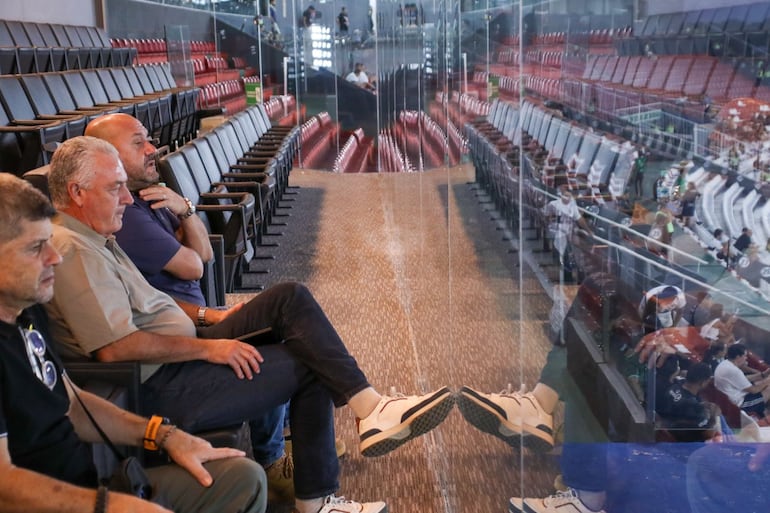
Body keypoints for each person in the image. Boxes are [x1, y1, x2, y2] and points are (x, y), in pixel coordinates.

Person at [44, 136, 454, 513]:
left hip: (180, 352)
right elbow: (116, 347)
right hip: (162, 384)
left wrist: (206, 320)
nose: (128, 201)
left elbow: (151, 306)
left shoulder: (96, 237)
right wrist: (209, 347)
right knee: (307, 361)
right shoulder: (74, 250)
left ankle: (371, 408)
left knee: (289, 298)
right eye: (115, 188)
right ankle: (320, 496)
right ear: (77, 192)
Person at [0, 173, 266, 513]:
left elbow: (74, 404)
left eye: (49, 241)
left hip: (88, 485)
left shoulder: (27, 314)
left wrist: (164, 435)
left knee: (242, 479)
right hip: (64, 503)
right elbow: (4, 486)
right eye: (36, 247)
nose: (54, 257)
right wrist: (108, 505)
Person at [84, 113, 293, 503]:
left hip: (195, 319)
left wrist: (186, 210)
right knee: (290, 331)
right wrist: (206, 330)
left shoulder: (150, 196)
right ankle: (279, 458)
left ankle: (289, 441)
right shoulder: (123, 221)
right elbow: (194, 265)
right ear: (106, 157)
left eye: (149, 140)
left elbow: (204, 253)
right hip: (184, 342)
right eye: (139, 143)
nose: (153, 150)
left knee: (287, 308)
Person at [659, 362, 722, 442]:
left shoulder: (674, 387)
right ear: (702, 383)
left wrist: (702, 405)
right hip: (687, 443)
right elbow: (708, 435)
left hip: (668, 428)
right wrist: (713, 417)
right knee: (719, 420)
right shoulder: (695, 409)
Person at [543, 185, 592, 282]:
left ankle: (576, 276)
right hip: (557, 232)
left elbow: (579, 219)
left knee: (576, 252)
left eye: (569, 195)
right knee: (563, 253)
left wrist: (589, 231)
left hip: (570, 233)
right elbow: (546, 216)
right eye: (565, 195)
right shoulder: (553, 204)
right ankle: (566, 275)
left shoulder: (572, 206)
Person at [714, 343, 770, 424]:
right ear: (738, 357)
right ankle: (764, 416)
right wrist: (768, 380)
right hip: (742, 404)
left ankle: (763, 411)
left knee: (763, 384)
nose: (746, 358)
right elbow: (754, 390)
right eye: (744, 356)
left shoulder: (725, 364)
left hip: (730, 399)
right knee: (768, 388)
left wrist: (764, 374)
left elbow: (743, 379)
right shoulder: (733, 371)